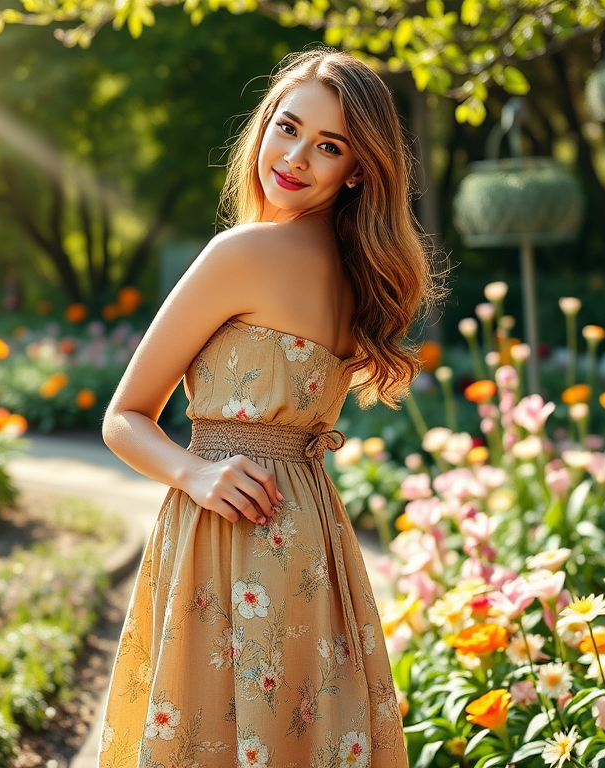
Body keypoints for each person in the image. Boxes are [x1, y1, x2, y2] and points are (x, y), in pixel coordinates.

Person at [98, 47, 445, 768]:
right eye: (287, 128)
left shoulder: (242, 253)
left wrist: (195, 474)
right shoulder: (366, 278)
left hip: (224, 537)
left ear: (357, 168)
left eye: (328, 147)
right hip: (313, 547)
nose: (294, 157)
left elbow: (124, 416)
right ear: (262, 126)